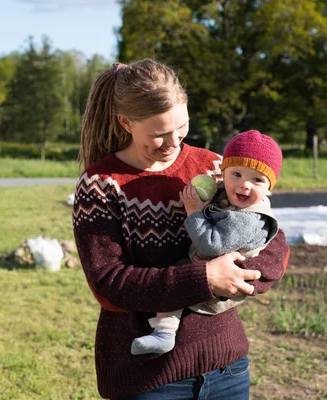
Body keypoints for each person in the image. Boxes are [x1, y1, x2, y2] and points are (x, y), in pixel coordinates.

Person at [72, 59, 290, 400]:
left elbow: (270, 235)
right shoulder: (101, 184)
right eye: (159, 134)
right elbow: (108, 283)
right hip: (148, 378)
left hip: (227, 368)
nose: (173, 142)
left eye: (182, 127)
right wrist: (205, 279)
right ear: (126, 122)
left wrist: (242, 276)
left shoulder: (214, 166)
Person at [131, 130, 282, 356]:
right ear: (223, 173)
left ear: (269, 187)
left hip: (219, 288)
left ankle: (164, 334)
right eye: (236, 174)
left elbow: (212, 245)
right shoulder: (227, 194)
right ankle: (164, 334)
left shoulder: (249, 219)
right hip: (204, 267)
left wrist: (194, 212)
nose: (244, 185)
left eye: (257, 180)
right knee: (175, 275)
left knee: (179, 277)